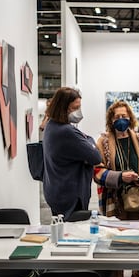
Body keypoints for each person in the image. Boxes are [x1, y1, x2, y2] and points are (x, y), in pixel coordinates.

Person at [93, 100, 139, 277]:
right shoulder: (102, 142)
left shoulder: (138, 138)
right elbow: (96, 171)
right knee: (117, 241)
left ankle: (138, 273)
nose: (122, 120)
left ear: (131, 118)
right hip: (115, 199)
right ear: (111, 120)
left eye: (125, 116)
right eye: (117, 117)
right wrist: (120, 177)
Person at [42, 87, 101, 221]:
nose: (78, 113)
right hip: (70, 196)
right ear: (63, 108)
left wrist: (84, 141)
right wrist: (89, 139)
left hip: (56, 191)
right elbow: (96, 157)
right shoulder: (67, 132)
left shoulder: (51, 125)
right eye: (75, 108)